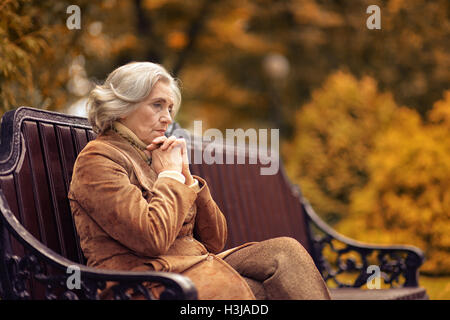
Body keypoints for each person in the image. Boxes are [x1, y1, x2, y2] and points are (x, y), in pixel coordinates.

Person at [68, 61, 331, 300]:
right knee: (260, 293)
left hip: (192, 265)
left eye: (170, 108)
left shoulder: (152, 155)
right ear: (123, 108)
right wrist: (170, 177)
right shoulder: (99, 159)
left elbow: (215, 241)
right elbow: (151, 239)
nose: (168, 118)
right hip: (145, 284)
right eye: (157, 105)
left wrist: (186, 177)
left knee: (285, 253)